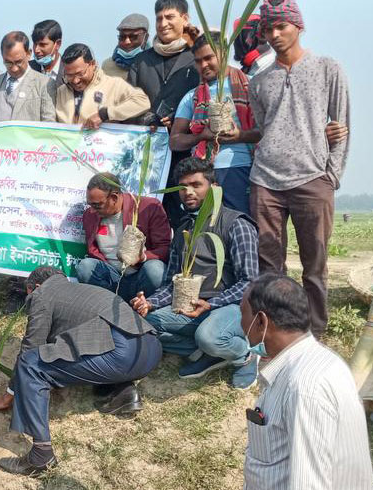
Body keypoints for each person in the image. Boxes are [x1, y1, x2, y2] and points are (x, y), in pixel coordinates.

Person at [0, 267, 162, 476]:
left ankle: (41, 456)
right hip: (151, 349)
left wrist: (10, 394)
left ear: (34, 287)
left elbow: (31, 348)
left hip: (120, 355)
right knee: (91, 346)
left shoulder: (42, 294)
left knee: (30, 364)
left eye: (29, 294)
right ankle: (123, 392)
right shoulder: (83, 290)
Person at [249, 0, 350, 338]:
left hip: (312, 179)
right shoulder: (259, 82)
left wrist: (331, 175)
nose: (275, 34)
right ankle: (277, 333)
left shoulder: (327, 68)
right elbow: (266, 128)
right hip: (265, 181)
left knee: (315, 265)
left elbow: (342, 124)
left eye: (281, 27)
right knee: (270, 267)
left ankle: (315, 333)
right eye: (269, 29)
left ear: (298, 26)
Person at [133, 157, 259, 388]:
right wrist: (149, 303)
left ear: (214, 188)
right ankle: (211, 352)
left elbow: (249, 282)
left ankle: (244, 356)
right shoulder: (183, 229)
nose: (188, 192)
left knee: (209, 336)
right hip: (193, 308)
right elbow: (171, 284)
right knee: (145, 324)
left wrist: (212, 303)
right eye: (182, 187)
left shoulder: (236, 224)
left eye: (196, 185)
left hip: (232, 307)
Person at [241, 273, 373, 489]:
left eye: (242, 314)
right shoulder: (318, 362)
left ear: (261, 322)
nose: (240, 324)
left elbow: (309, 483)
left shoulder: (304, 388)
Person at [170, 32, 260, 214]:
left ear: (224, 54)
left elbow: (266, 131)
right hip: (202, 174)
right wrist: (201, 136)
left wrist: (240, 136)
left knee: (239, 224)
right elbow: (175, 141)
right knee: (205, 231)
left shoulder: (251, 86)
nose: (203, 65)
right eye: (198, 61)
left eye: (208, 58)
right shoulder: (192, 97)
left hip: (239, 168)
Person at [129, 0, 200, 226]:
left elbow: (206, 101)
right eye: (159, 18)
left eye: (170, 17)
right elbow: (127, 103)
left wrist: (182, 123)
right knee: (144, 216)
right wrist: (148, 118)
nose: (163, 23)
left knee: (182, 219)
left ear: (185, 19)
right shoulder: (141, 61)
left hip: (185, 156)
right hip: (146, 157)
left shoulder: (196, 59)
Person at [76, 172, 170, 301]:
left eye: (97, 205)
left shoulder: (148, 207)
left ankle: (145, 308)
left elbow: (164, 249)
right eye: (90, 204)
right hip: (111, 278)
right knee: (85, 267)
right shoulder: (90, 215)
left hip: (140, 276)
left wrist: (142, 257)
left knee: (155, 270)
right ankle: (106, 309)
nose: (92, 210)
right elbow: (93, 251)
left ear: (114, 198)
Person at [55, 43, 150, 128]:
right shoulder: (60, 92)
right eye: (70, 75)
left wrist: (105, 114)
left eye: (80, 74)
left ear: (92, 64)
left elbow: (142, 102)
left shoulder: (113, 85)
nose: (76, 81)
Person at [0, 31, 56, 125]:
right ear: (2, 56)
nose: (14, 68)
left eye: (18, 62)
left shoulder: (45, 84)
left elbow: (49, 125)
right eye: (8, 63)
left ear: (28, 54)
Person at [101, 13, 151, 80]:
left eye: (133, 37)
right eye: (122, 37)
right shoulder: (107, 66)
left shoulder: (155, 65)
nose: (127, 41)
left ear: (146, 38)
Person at [29, 20, 64, 87]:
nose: (36, 50)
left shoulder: (70, 72)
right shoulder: (26, 70)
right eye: (35, 44)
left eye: (42, 45)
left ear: (57, 44)